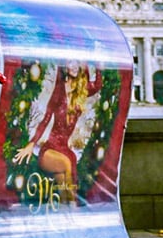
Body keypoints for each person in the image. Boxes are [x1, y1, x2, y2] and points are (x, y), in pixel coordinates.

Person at [13, 62, 99, 204]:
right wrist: (31, 144)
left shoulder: (81, 90)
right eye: (70, 62)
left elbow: (97, 85)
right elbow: (46, 118)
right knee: (65, 163)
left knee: (64, 183)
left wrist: (95, 64)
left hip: (65, 148)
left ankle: (67, 211)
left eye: (77, 62)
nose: (74, 66)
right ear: (65, 66)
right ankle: (73, 210)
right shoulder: (60, 89)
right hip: (50, 147)